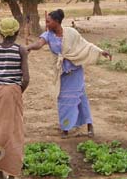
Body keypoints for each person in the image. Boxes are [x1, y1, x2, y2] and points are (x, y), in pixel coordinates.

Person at [27, 9, 112, 138]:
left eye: (48, 21)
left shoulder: (71, 33)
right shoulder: (47, 35)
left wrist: (101, 51)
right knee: (63, 100)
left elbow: (85, 45)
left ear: (56, 22)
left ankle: (89, 126)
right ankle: (66, 128)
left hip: (76, 72)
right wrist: (28, 47)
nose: (47, 24)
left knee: (81, 99)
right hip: (63, 73)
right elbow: (39, 44)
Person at [0, 18, 29, 179]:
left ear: (1, 33)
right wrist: (17, 92)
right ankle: (11, 178)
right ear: (17, 33)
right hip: (12, 91)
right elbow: (26, 78)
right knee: (13, 132)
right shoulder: (20, 50)